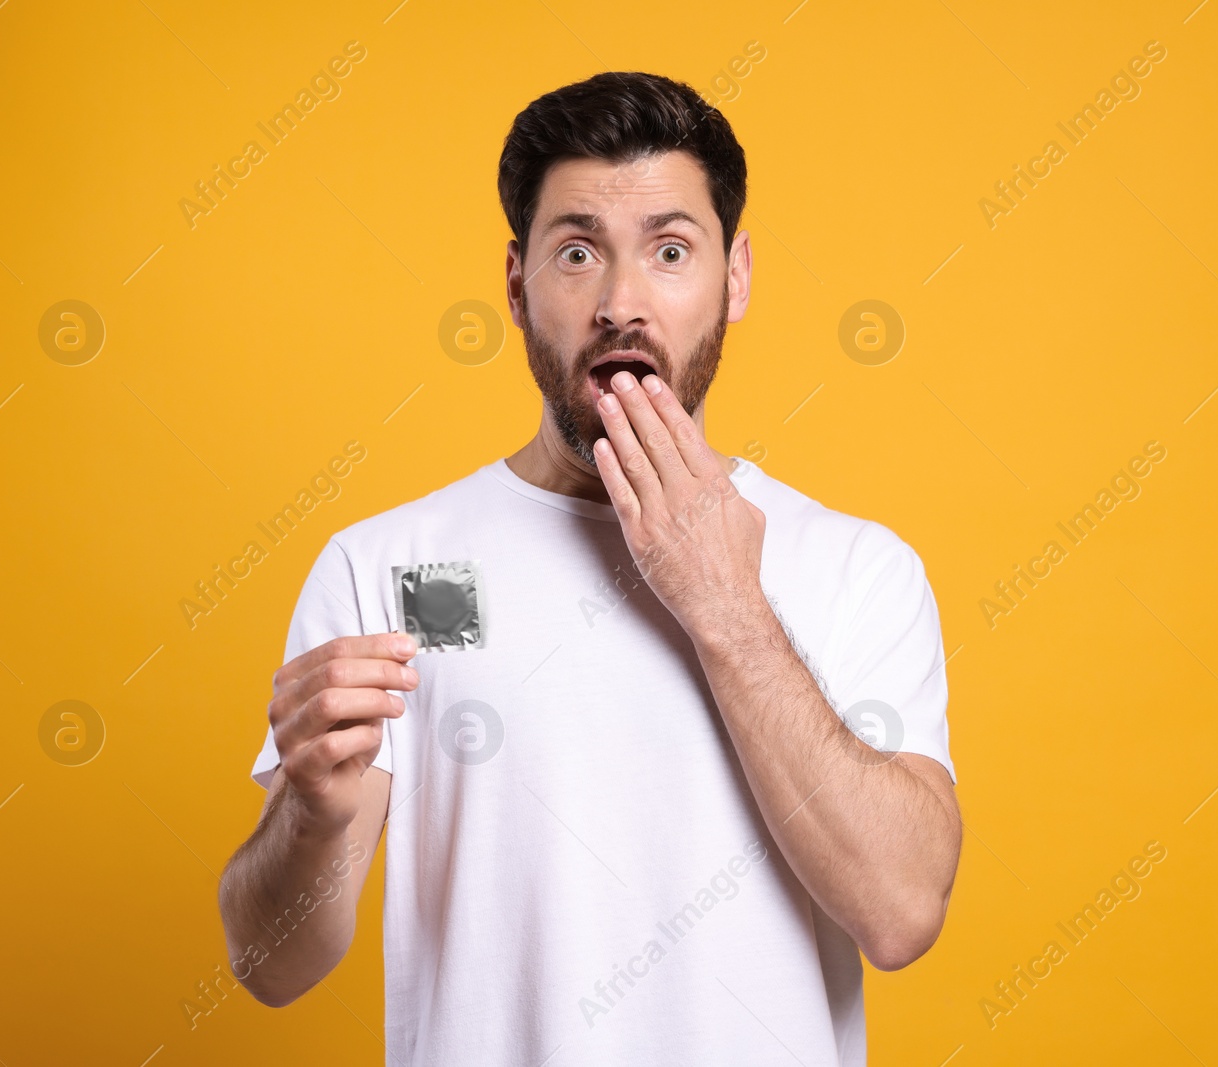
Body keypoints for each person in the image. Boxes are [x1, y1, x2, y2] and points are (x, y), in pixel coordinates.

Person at [219, 70, 961, 1066]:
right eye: (578, 252)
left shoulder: (855, 566)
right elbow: (271, 964)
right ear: (518, 281)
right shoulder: (389, 565)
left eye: (669, 250)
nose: (621, 303)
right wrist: (310, 811)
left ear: (734, 276)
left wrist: (725, 603)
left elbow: (903, 909)